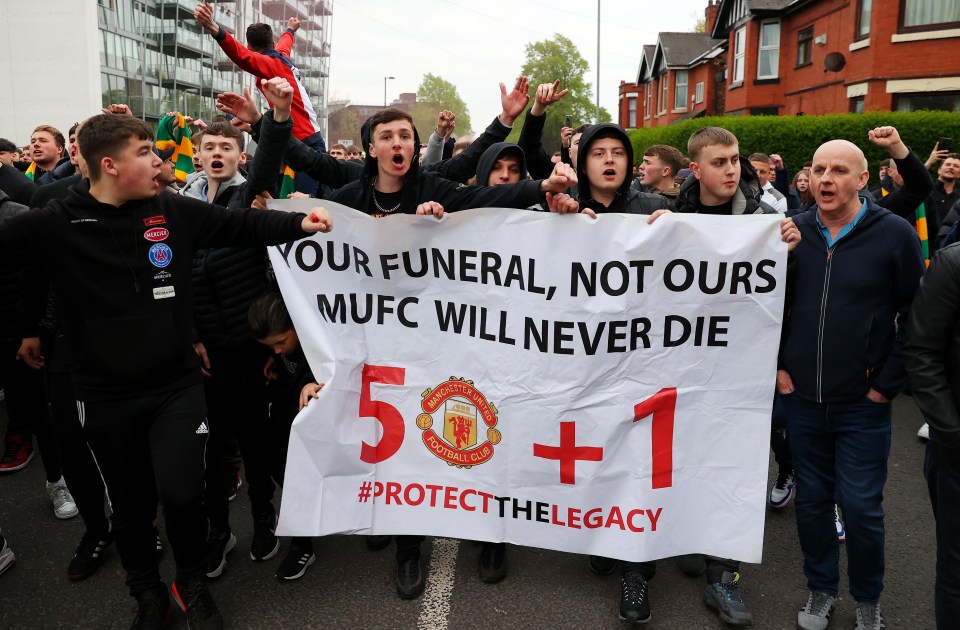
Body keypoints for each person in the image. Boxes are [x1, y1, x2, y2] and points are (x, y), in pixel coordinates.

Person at [0, 97, 332, 629]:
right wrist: (26, 330)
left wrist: (301, 225)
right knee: (131, 506)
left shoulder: (172, 211)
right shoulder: (52, 222)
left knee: (183, 495)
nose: (160, 162)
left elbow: (243, 227)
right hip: (103, 395)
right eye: (145, 152)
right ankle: (146, 593)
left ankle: (192, 583)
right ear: (110, 165)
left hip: (176, 388)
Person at [328, 106, 576, 599]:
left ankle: (489, 530)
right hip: (381, 342)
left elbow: (484, 197)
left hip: (445, 339)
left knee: (466, 430)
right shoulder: (349, 199)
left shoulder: (433, 189)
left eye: (405, 135)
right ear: (372, 148)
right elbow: (313, 229)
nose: (398, 143)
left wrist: (540, 188)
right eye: (387, 136)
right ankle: (406, 547)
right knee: (401, 450)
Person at [777, 126, 925, 630]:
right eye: (818, 169)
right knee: (814, 506)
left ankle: (867, 599)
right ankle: (821, 591)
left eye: (839, 170)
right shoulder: (790, 233)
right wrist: (778, 366)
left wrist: (887, 383)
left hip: (865, 403)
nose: (826, 178)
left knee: (861, 508)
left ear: (863, 179)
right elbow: (766, 306)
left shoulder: (894, 234)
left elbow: (917, 315)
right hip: (802, 399)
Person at [194, 3, 326, 193]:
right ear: (272, 44)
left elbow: (242, 56)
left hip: (304, 143)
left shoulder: (268, 64)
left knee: (304, 204)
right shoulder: (281, 57)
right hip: (295, 141)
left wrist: (214, 28)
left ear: (249, 45)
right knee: (277, 202)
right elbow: (285, 44)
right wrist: (290, 29)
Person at [903, 242, 960, 629]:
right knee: (957, 571)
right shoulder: (953, 263)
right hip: (957, 454)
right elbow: (922, 351)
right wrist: (951, 433)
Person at [248, 291, 324, 580]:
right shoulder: (279, 353)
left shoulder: (318, 338)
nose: (278, 350)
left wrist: (313, 382)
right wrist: (275, 358)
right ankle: (302, 542)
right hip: (286, 410)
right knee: (282, 468)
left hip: (321, 415)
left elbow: (335, 364)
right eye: (271, 346)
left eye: (281, 342)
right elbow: (280, 354)